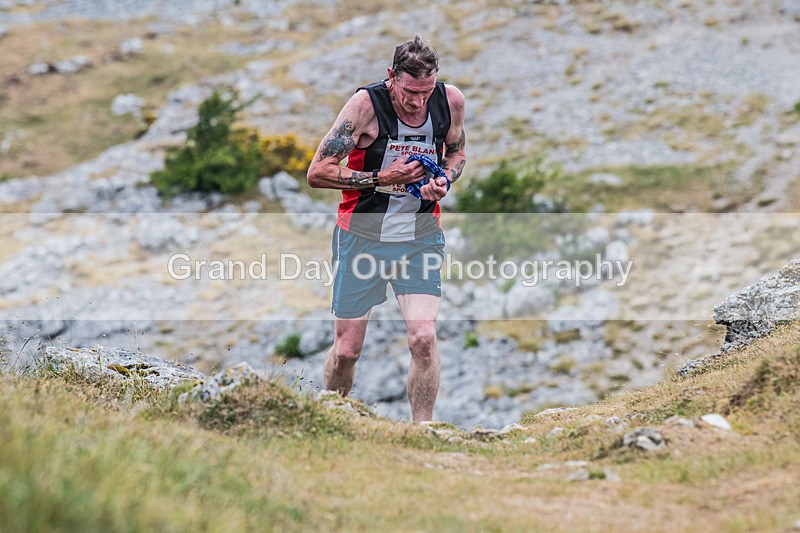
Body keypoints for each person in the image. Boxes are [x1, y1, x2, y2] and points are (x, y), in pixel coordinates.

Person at [307, 34, 467, 422]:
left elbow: (457, 151)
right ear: (391, 77)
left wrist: (444, 180)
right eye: (410, 92)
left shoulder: (450, 101)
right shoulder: (365, 106)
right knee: (347, 350)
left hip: (420, 237)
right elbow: (318, 173)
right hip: (361, 237)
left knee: (424, 338)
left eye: (426, 92)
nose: (418, 102)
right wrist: (381, 177)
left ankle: (423, 434)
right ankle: (333, 420)